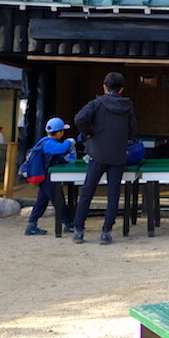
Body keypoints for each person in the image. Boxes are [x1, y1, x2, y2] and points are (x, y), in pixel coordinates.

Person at [70, 71, 138, 244]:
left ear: (104, 87)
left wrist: (89, 133)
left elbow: (79, 119)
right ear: (121, 89)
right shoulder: (128, 106)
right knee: (113, 194)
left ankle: (79, 229)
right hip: (118, 155)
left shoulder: (96, 103)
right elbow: (133, 131)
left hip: (97, 153)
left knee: (87, 192)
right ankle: (106, 232)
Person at [24, 116, 77, 236]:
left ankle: (32, 224)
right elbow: (62, 148)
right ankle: (68, 224)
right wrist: (69, 141)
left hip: (45, 178)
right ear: (58, 132)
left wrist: (64, 159)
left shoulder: (44, 141)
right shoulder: (50, 144)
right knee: (59, 201)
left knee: (41, 202)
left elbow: (55, 157)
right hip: (48, 178)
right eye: (62, 131)